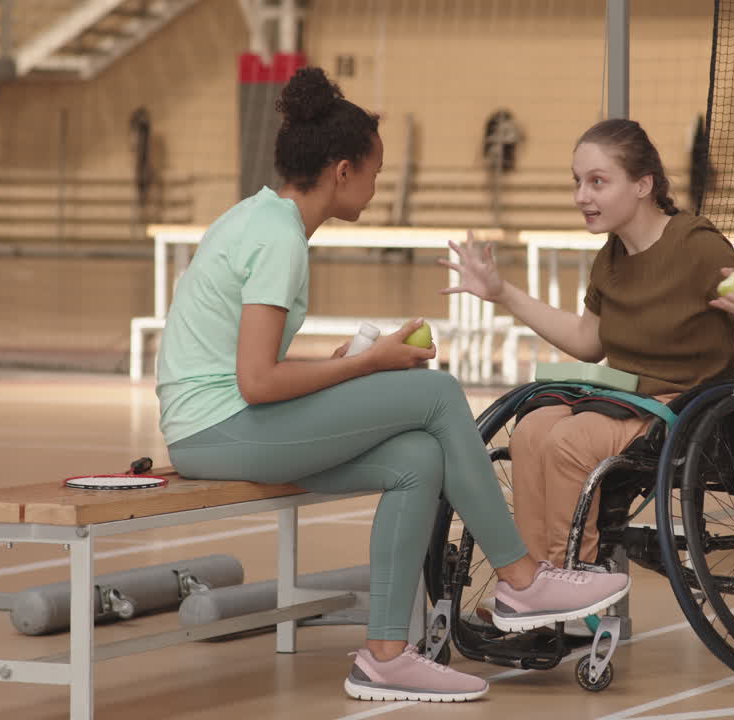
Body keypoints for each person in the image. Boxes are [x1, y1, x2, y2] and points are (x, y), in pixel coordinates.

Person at [154, 67, 629, 703]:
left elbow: (254, 369)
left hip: (219, 421)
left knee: (418, 457)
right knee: (436, 395)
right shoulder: (279, 239)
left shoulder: (260, 219)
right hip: (215, 431)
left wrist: (345, 360)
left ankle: (383, 656)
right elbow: (258, 381)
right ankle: (520, 577)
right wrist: (368, 362)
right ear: (342, 170)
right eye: (376, 172)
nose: (378, 187)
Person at [442, 118, 734, 633]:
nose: (582, 195)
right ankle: (528, 585)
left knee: (570, 439)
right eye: (577, 181)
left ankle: (567, 577)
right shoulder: (610, 259)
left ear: (643, 185)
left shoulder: (696, 244)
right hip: (625, 398)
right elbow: (589, 341)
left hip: (684, 404)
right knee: (533, 431)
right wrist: (502, 294)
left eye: (597, 181)